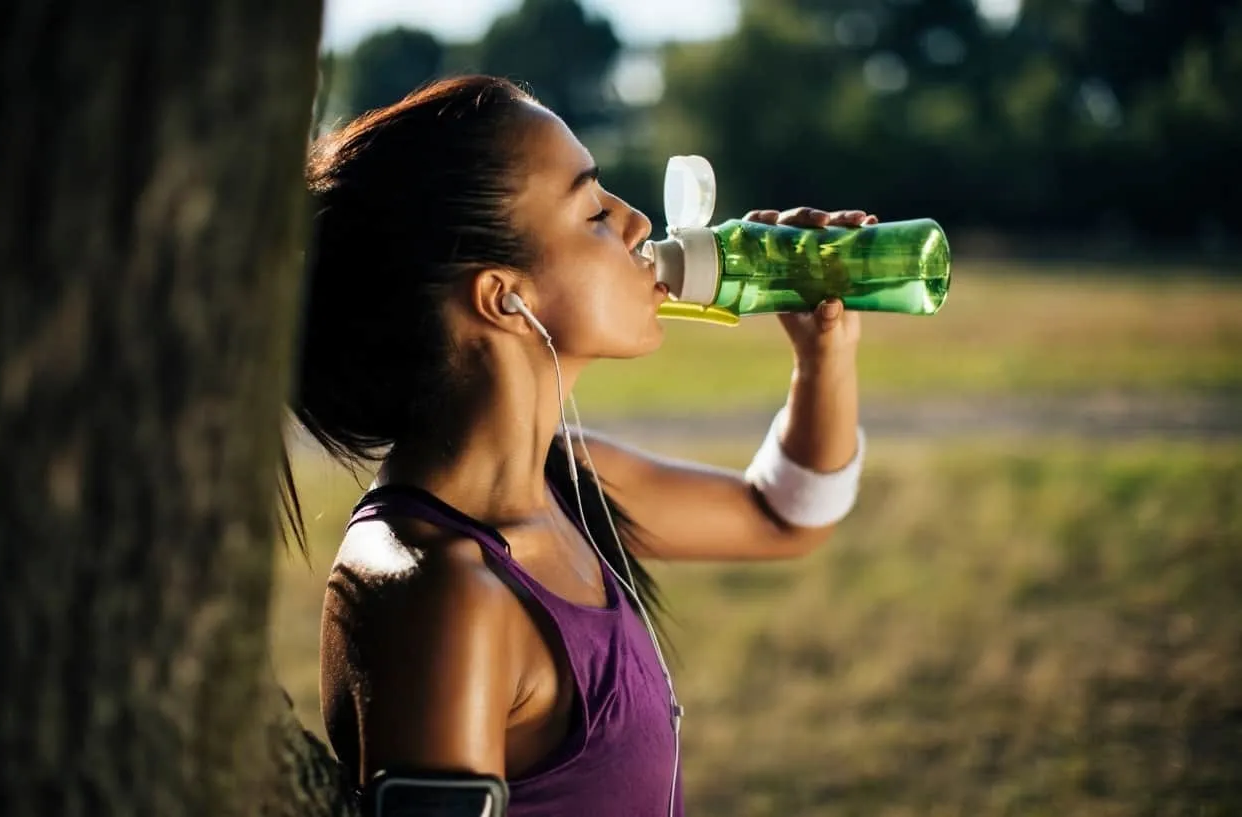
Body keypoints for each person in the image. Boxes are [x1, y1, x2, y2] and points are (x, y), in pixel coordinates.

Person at [291, 75, 871, 817]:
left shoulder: (568, 482)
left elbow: (786, 515)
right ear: (505, 296)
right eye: (594, 210)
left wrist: (823, 355)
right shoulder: (439, 595)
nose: (636, 224)